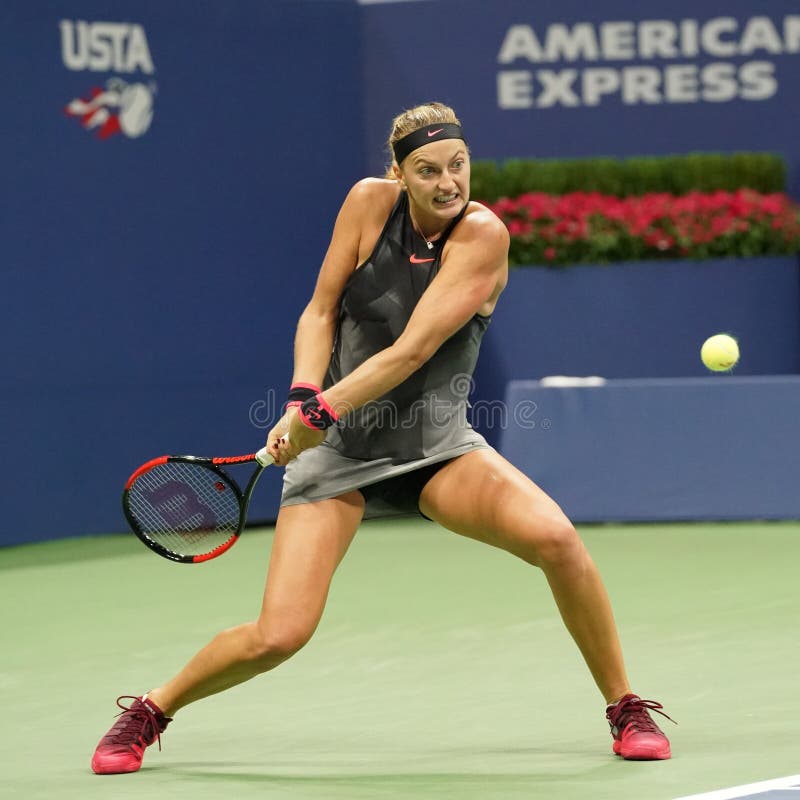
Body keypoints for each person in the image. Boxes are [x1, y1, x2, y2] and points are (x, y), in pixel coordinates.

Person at [91, 101, 674, 775]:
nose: (448, 182)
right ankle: (151, 710)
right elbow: (320, 309)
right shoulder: (368, 205)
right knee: (279, 634)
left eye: (458, 164)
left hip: (434, 450)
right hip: (337, 454)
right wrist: (303, 396)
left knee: (557, 540)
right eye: (427, 170)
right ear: (398, 173)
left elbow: (413, 350)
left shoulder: (483, 236)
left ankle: (625, 704)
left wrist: (319, 412)